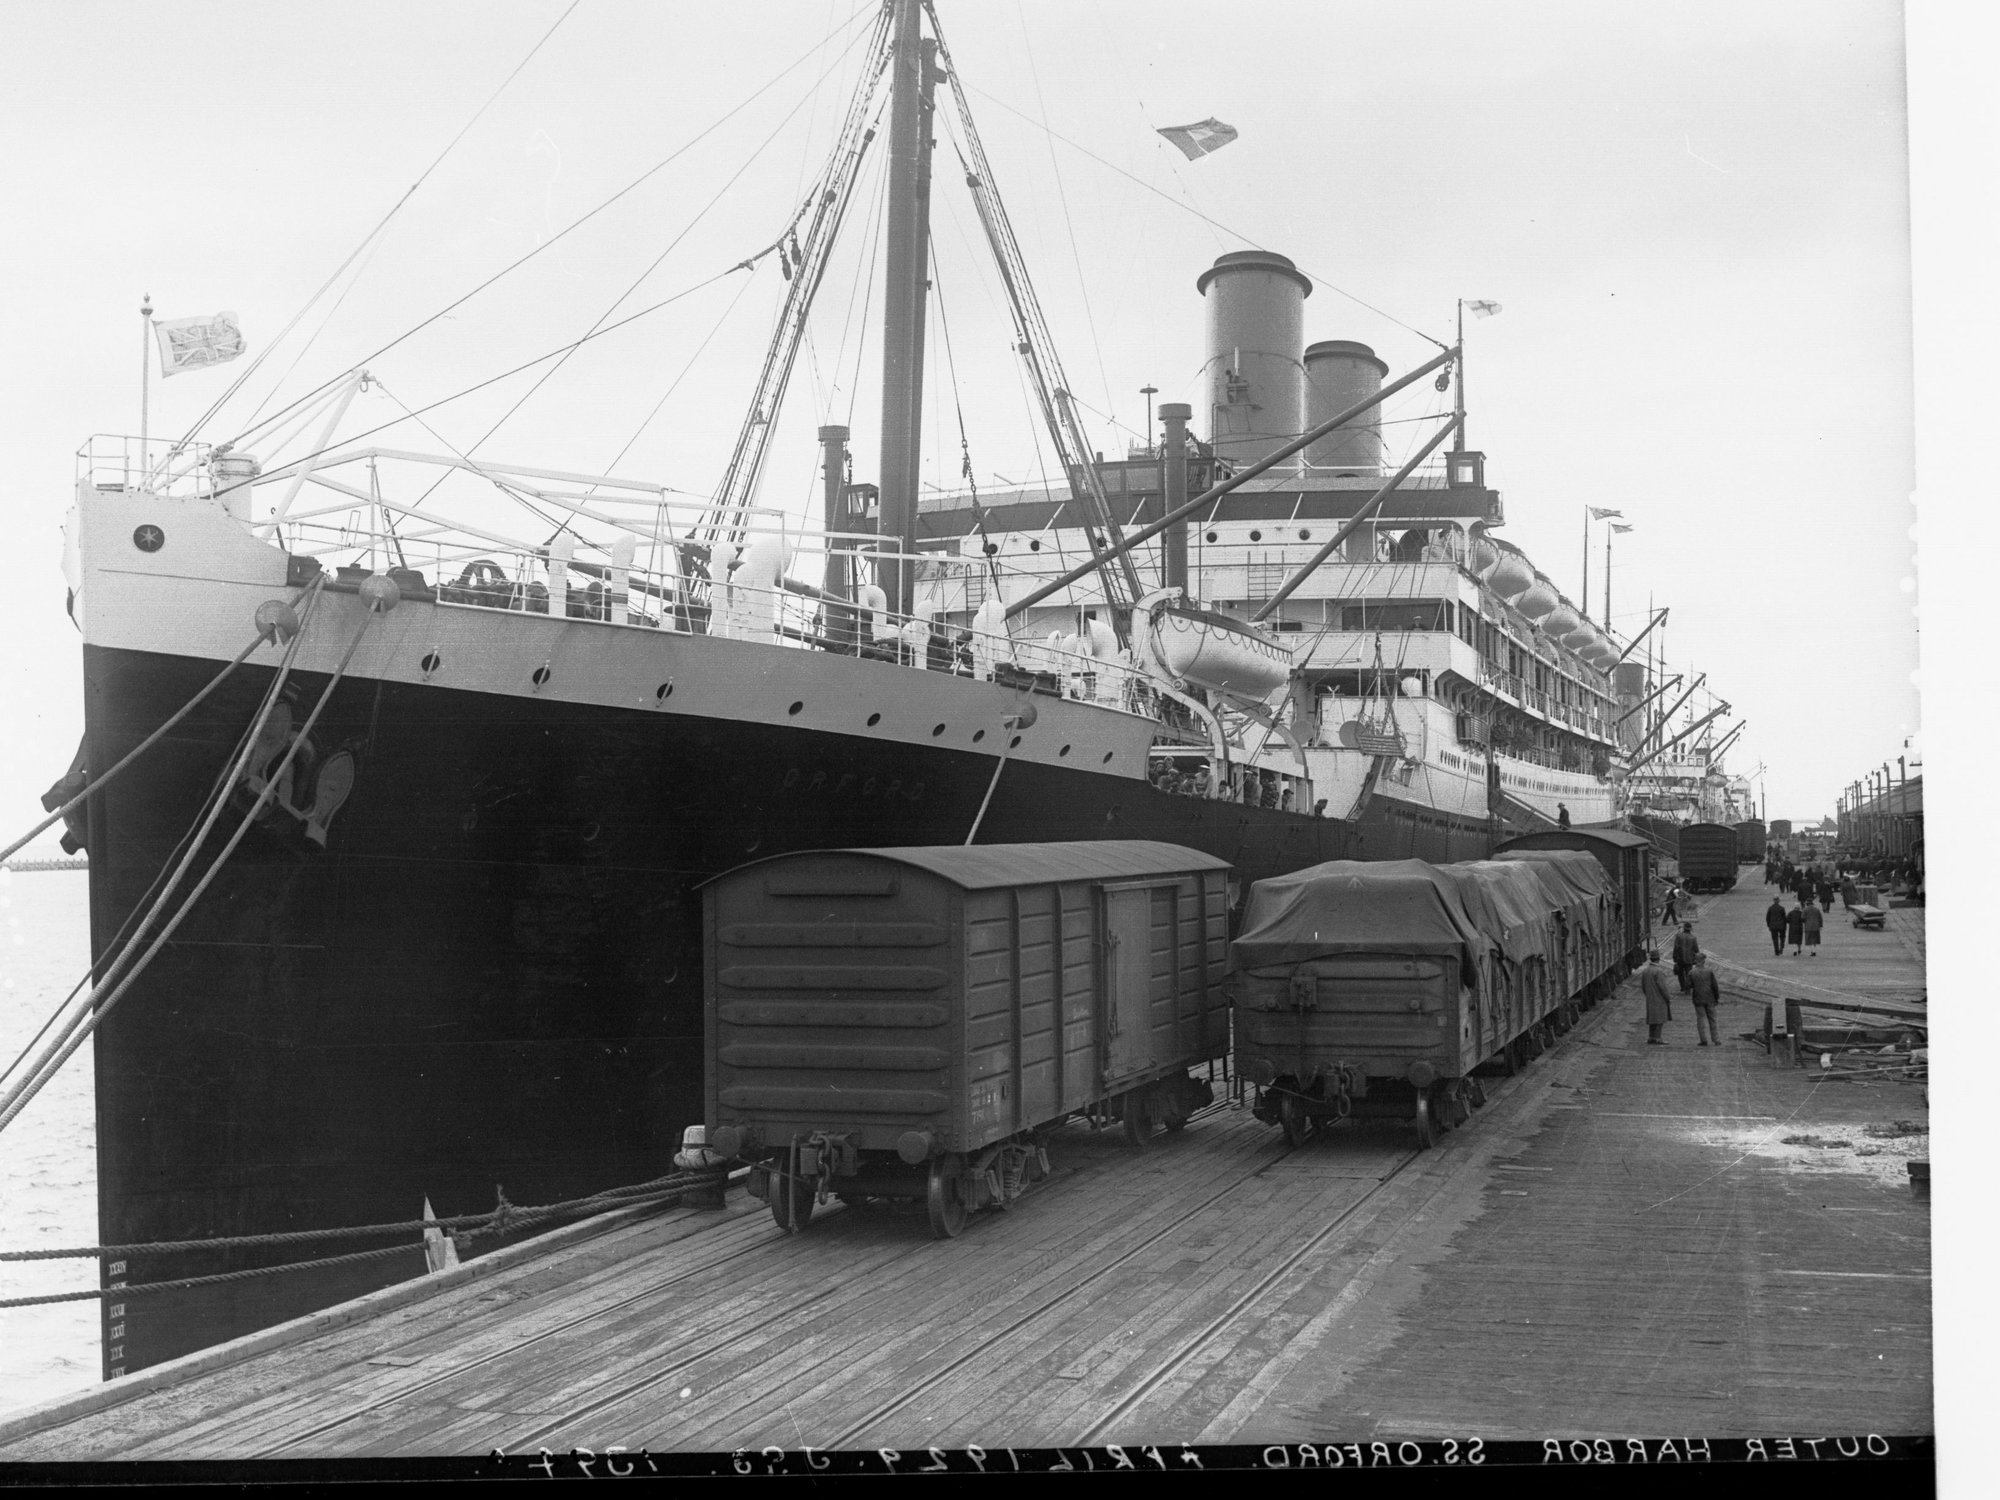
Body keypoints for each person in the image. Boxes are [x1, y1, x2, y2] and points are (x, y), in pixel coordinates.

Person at [1639, 948, 1674, 1045]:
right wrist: (1668, 997)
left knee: (1652, 1018)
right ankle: (1658, 1038)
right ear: (1658, 958)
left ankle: (1651, 1037)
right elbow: (1663, 987)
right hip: (1659, 998)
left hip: (1650, 998)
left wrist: (1648, 994)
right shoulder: (1658, 971)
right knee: (1660, 1018)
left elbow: (1643, 986)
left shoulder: (1646, 971)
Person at [1688, 955, 1722, 1046]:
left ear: (1696, 961)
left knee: (1701, 1019)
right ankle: (1716, 1039)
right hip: (1710, 998)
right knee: (1713, 1019)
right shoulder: (1709, 971)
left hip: (1698, 999)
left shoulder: (1692, 972)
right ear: (1703, 961)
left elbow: (1688, 985)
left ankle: (1703, 1040)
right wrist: (1716, 998)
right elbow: (1715, 987)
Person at [1671, 922, 1701, 993]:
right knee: (1688, 974)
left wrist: (1674, 957)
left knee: (1680, 973)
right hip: (1689, 959)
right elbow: (1696, 950)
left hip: (1680, 958)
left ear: (1684, 928)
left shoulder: (1679, 936)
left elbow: (1676, 947)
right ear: (1690, 929)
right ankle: (1688, 989)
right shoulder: (1693, 938)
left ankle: (1683, 987)